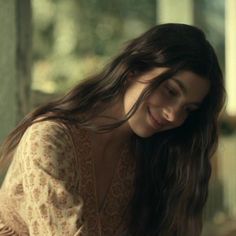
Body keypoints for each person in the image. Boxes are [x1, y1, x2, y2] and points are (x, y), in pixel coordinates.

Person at [0, 23, 225, 236]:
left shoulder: (147, 158)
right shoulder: (50, 139)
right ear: (134, 70)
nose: (174, 115)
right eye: (170, 91)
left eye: (188, 109)